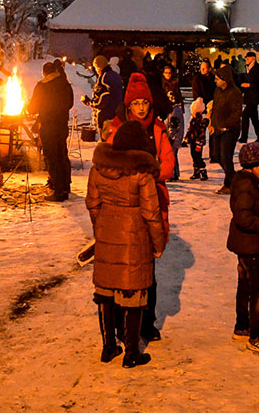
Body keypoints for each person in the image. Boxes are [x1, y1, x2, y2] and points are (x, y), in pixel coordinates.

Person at [86, 120, 167, 368]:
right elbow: (151, 213)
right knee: (133, 292)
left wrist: (101, 226)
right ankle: (132, 351)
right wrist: (158, 243)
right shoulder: (142, 174)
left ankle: (109, 346)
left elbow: (92, 203)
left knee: (106, 291)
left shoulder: (99, 169)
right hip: (135, 237)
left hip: (107, 232)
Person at [104, 73, 176, 341]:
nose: (142, 108)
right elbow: (112, 165)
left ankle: (147, 321)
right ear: (128, 105)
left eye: (145, 102)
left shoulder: (157, 128)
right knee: (123, 268)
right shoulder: (117, 127)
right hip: (125, 205)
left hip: (152, 200)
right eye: (136, 103)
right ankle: (123, 322)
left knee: (148, 268)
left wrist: (149, 175)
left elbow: (168, 163)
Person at [228, 142, 259, 355]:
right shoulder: (247, 185)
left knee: (245, 286)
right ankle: (256, 335)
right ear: (253, 165)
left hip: (244, 243)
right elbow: (243, 216)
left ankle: (242, 325)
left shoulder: (243, 181)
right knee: (257, 290)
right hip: (249, 244)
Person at [28, 61, 74, 201]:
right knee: (62, 154)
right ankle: (65, 185)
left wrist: (30, 109)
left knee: (52, 157)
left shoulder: (42, 86)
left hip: (48, 126)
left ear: (44, 73)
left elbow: (33, 108)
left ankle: (58, 191)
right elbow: (70, 103)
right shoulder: (65, 84)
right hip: (61, 125)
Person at [209, 66, 243, 194]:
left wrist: (226, 125)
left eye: (217, 79)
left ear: (225, 80)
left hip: (230, 130)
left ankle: (229, 184)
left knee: (225, 157)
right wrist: (212, 124)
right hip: (217, 129)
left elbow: (236, 113)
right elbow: (215, 107)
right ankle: (234, 178)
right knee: (216, 156)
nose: (215, 81)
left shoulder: (235, 93)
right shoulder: (218, 91)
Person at [83, 55, 123, 138]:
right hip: (118, 114)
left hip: (107, 116)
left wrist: (89, 102)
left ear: (99, 67)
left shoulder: (104, 78)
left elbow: (102, 99)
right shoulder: (116, 75)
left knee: (106, 143)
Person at [161, 64, 184, 181]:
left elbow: (175, 125)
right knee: (171, 153)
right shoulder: (162, 84)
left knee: (172, 153)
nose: (168, 75)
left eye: (170, 73)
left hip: (173, 132)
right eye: (166, 73)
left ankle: (173, 173)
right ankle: (174, 173)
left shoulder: (175, 110)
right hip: (168, 120)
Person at [238, 51, 259, 144]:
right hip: (250, 96)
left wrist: (249, 85)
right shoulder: (248, 68)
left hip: (255, 97)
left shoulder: (258, 68)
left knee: (245, 115)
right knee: (254, 118)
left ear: (253, 58)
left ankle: (244, 137)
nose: (247, 59)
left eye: (248, 58)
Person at [183, 98, 210, 181]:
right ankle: (196, 171)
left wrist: (199, 143)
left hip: (198, 142)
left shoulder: (201, 120)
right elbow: (190, 130)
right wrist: (186, 139)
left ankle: (203, 170)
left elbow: (201, 133)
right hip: (192, 141)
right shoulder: (193, 119)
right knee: (194, 156)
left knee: (198, 157)